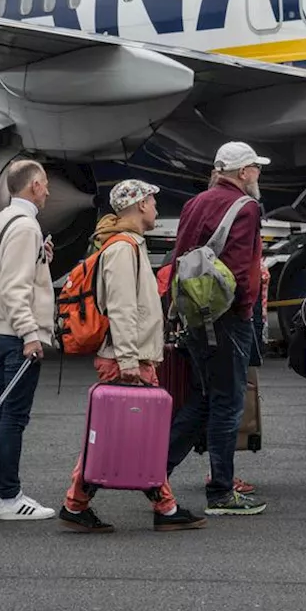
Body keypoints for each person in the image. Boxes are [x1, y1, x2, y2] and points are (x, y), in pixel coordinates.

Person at [59, 180, 207, 533]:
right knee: (139, 436)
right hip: (128, 359)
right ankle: (162, 508)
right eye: (153, 201)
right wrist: (129, 361)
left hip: (130, 356)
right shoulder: (123, 249)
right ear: (140, 205)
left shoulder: (124, 246)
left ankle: (82, 503)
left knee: (125, 434)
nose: (156, 207)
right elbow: (123, 309)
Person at [165, 141, 269, 516]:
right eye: (255, 168)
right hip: (226, 317)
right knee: (227, 402)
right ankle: (221, 492)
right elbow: (241, 270)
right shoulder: (246, 206)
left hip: (195, 312)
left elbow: (179, 256)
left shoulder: (197, 202)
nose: (258, 174)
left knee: (206, 397)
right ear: (243, 172)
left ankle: (156, 474)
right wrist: (244, 311)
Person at [0, 159, 58, 521]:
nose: (48, 192)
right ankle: (9, 497)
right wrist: (30, 333)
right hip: (17, 335)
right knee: (13, 418)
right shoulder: (26, 228)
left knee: (0, 414)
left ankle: (0, 494)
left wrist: (42, 260)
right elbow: (14, 287)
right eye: (45, 185)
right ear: (34, 186)